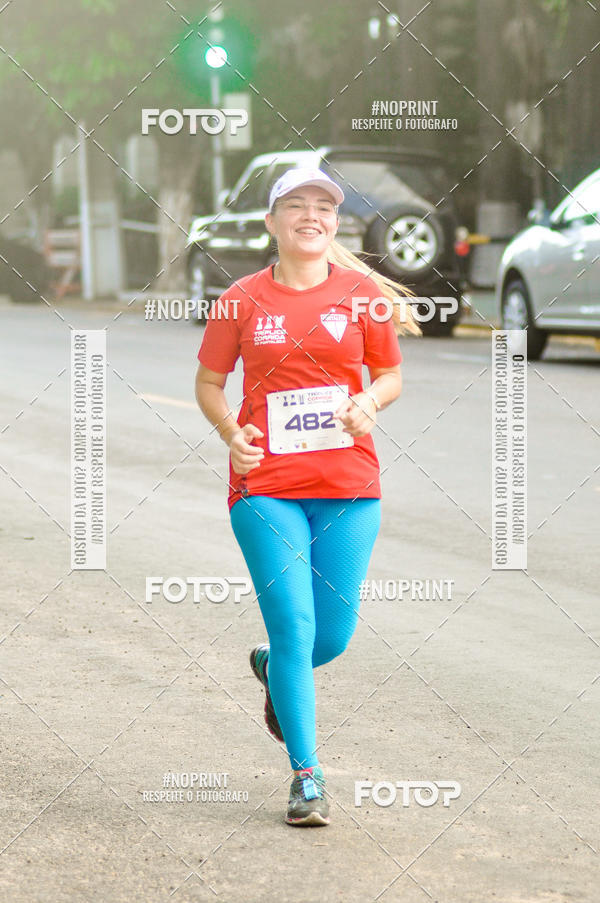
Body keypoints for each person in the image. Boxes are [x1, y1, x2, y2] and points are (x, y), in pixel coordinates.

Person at [195, 167, 420, 827]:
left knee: (331, 638)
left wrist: (368, 402)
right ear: (272, 222)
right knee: (294, 625)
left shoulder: (363, 294)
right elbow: (209, 384)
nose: (311, 215)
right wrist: (232, 432)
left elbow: (391, 376)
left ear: (335, 224)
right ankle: (306, 776)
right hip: (265, 486)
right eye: (296, 205)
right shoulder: (239, 300)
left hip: (350, 486)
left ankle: (269, 666)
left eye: (324, 206)